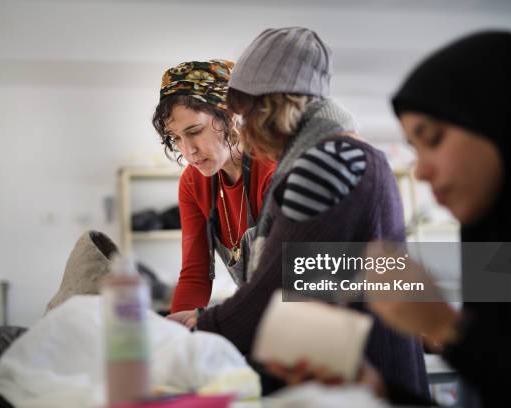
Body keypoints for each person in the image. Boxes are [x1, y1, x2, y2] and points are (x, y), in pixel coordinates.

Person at [169, 27, 429, 400]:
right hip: (362, 367)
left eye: (242, 113)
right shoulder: (350, 153)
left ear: (269, 106)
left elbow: (280, 290)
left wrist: (199, 328)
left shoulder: (325, 164)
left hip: (361, 381)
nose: (241, 128)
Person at [363, 30, 511, 407]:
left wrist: (444, 327)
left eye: (434, 138)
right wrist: (379, 392)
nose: (420, 171)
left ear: (499, 122)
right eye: (414, 148)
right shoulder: (500, 250)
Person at [152, 59, 276, 315]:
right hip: (260, 313)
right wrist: (175, 333)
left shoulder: (275, 170)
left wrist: (210, 321)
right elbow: (195, 276)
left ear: (230, 118)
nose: (188, 151)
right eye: (176, 138)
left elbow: (285, 282)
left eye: (195, 131)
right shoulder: (193, 182)